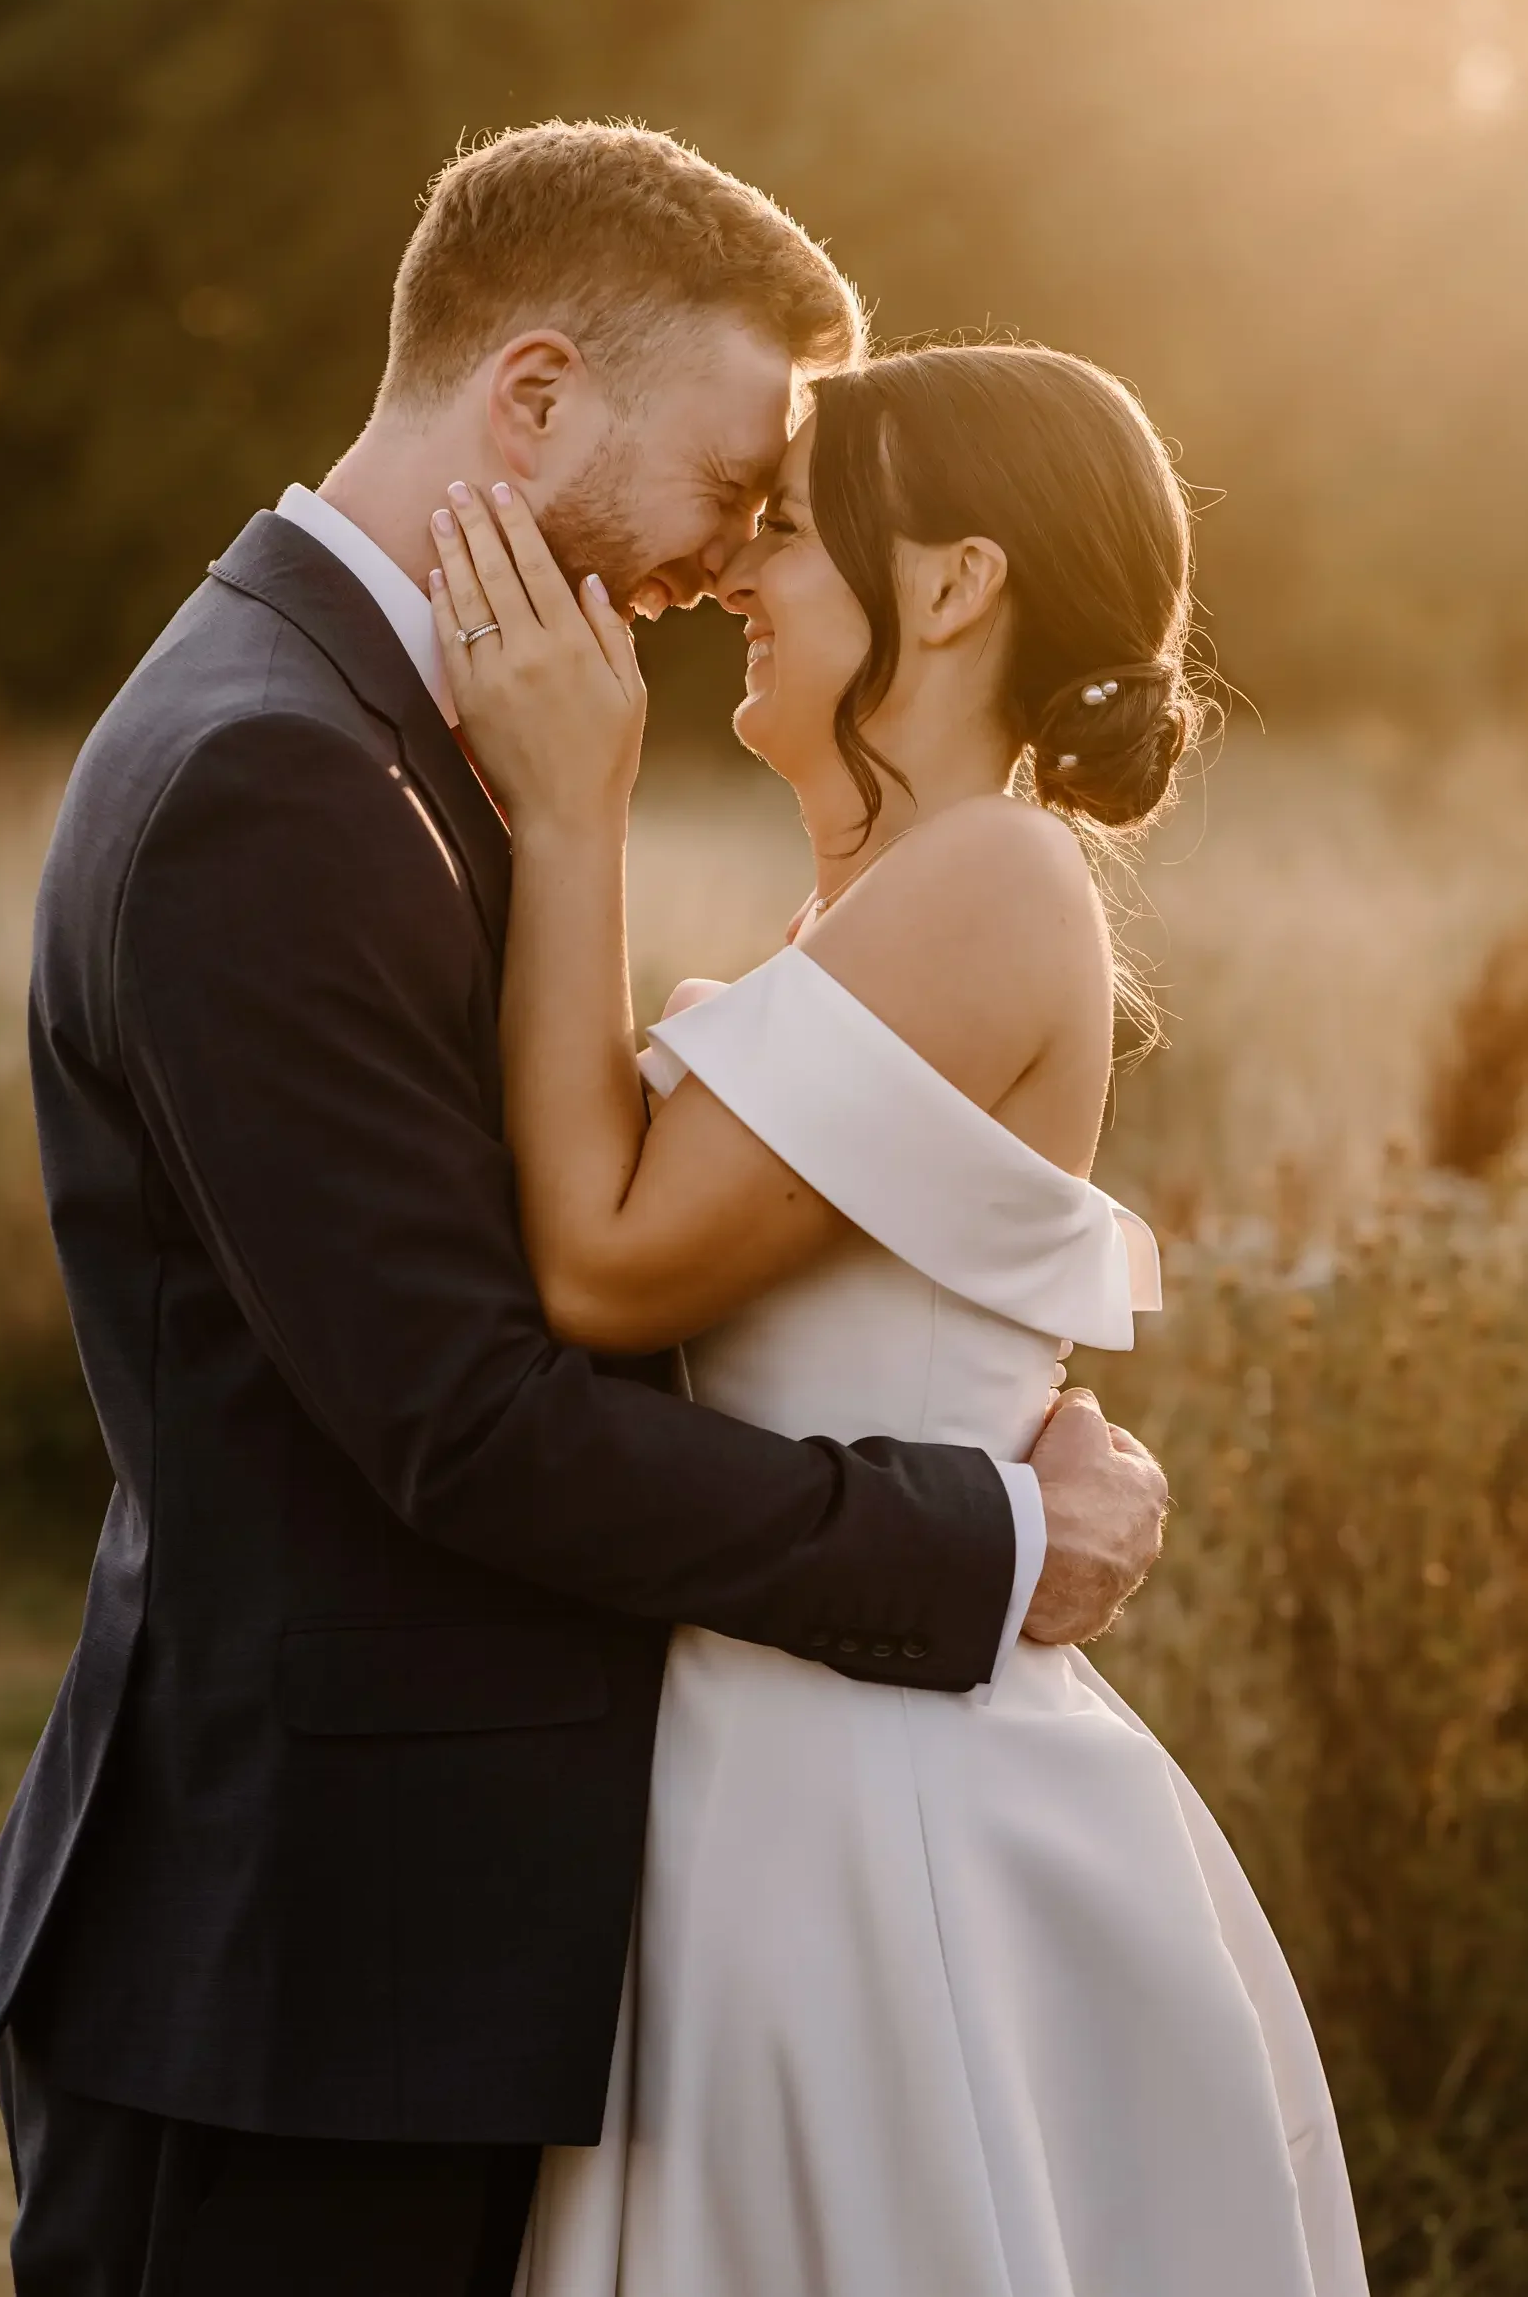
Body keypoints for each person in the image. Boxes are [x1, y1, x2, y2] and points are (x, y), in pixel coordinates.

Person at [0, 124, 1165, 2297]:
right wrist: (976, 1532)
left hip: (426, 1941)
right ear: (532, 397)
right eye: (732, 478)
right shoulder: (276, 775)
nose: (730, 552)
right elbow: (466, 1415)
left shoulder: (358, 733)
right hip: (302, 1965)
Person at [435, 340, 1369, 2297]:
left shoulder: (992, 872)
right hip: (774, 1742)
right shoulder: (876, 907)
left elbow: (601, 1266)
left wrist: (571, 817)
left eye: (785, 528)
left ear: (950, 586)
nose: (734, 573)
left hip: (873, 1794)